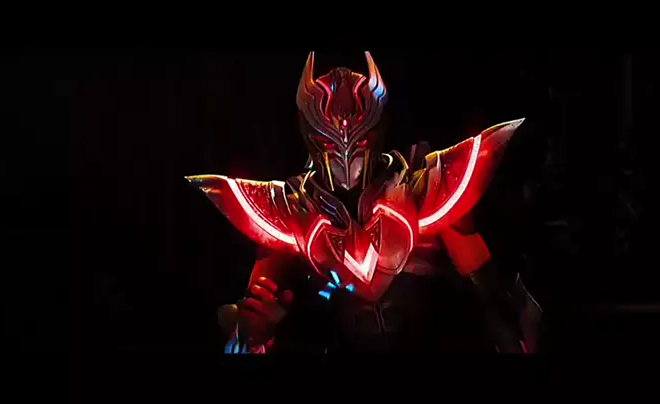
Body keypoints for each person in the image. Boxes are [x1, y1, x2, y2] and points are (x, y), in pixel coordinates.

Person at [187, 52, 542, 353]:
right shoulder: (289, 210)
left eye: (359, 139)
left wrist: (508, 326)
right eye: (328, 141)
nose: (345, 150)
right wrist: (254, 331)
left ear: (379, 128)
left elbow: (492, 295)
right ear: (308, 133)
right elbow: (249, 323)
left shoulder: (423, 187)